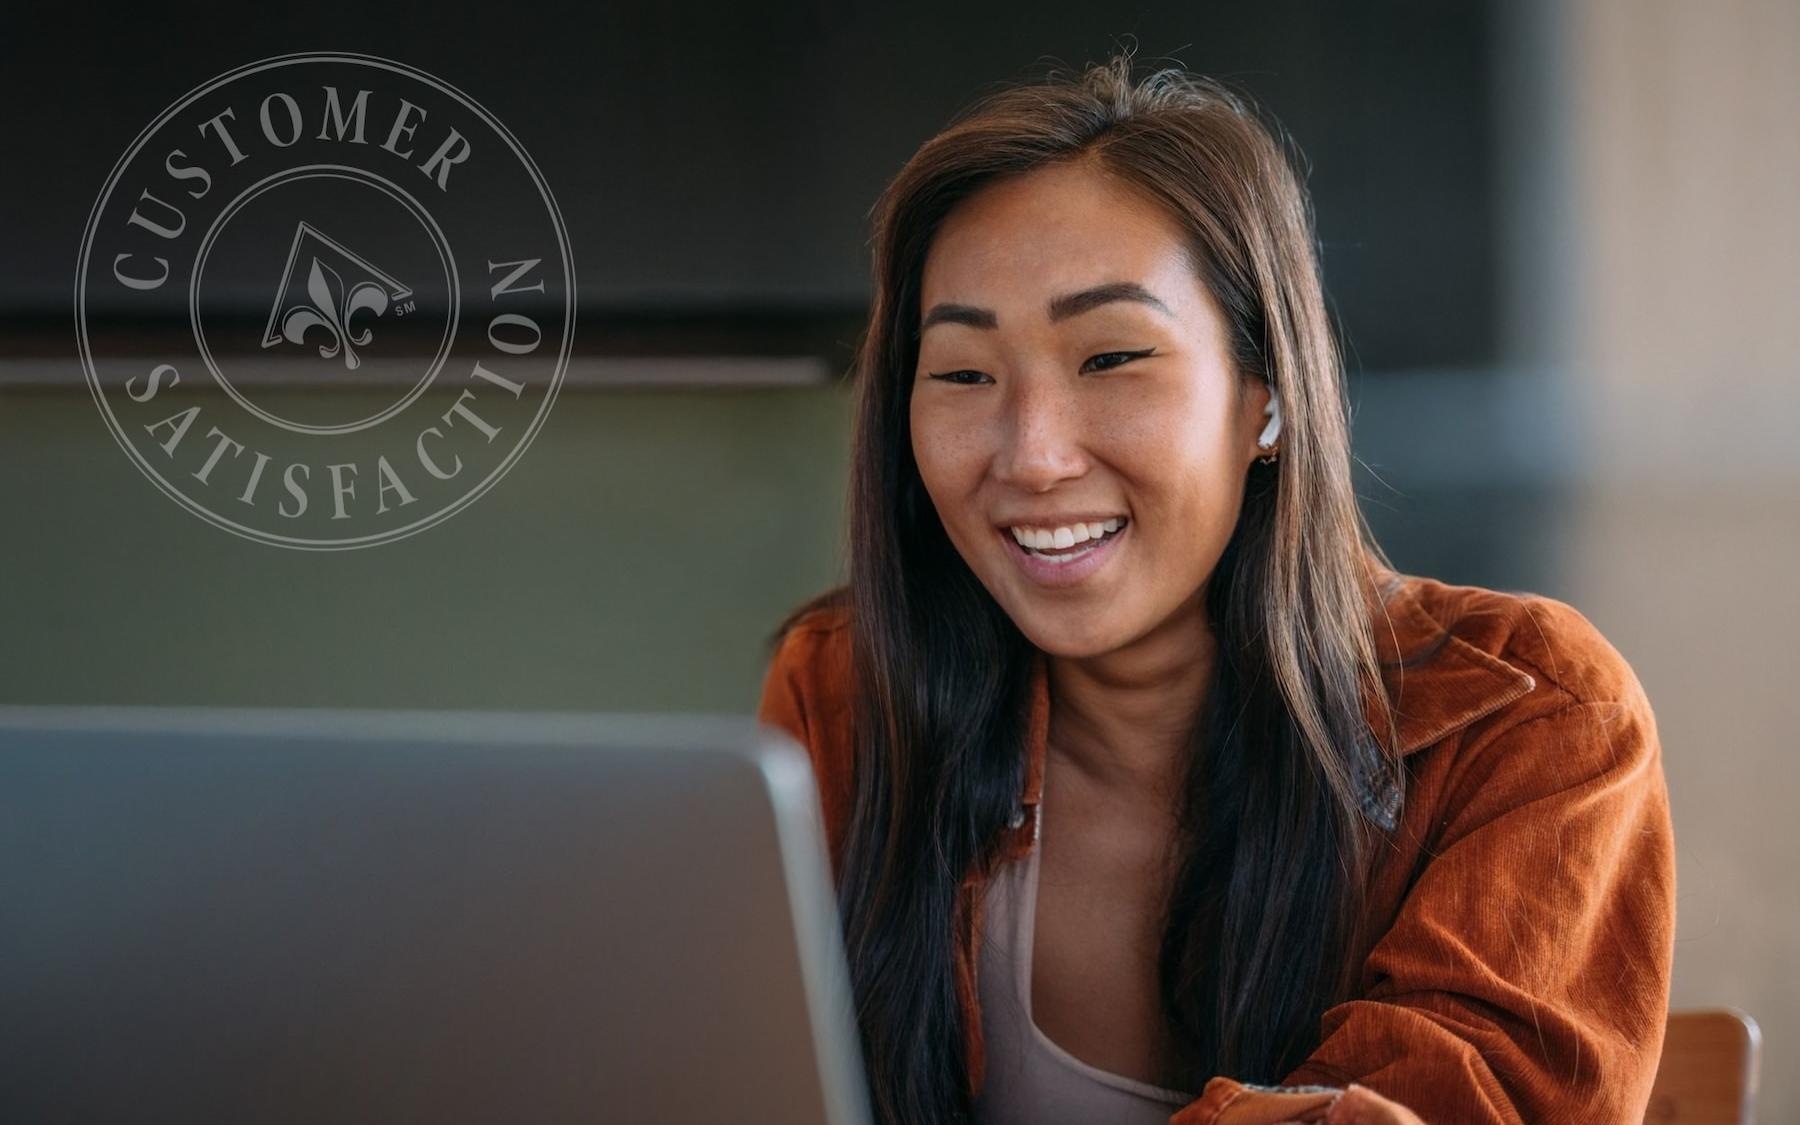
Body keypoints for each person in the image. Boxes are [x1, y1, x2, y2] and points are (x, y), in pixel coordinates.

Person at [757, 49, 1674, 1125]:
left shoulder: (1533, 718)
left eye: (1113, 359)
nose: (1034, 456)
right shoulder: (844, 694)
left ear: (1266, 399)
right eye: (964, 373)